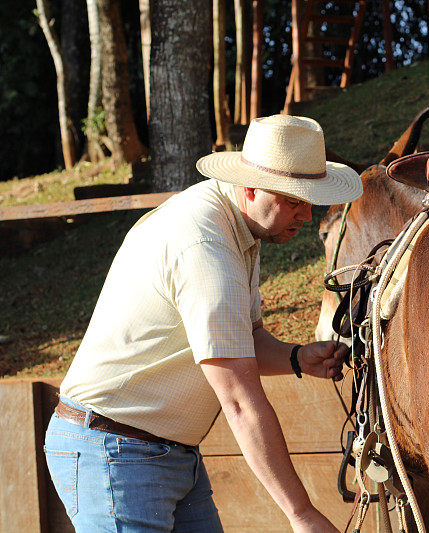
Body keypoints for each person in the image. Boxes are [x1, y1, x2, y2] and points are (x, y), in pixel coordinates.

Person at [44, 115, 363, 532]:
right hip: (114, 451)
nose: (306, 213)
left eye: (309, 199)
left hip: (166, 452)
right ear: (251, 187)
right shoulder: (206, 246)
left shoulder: (239, 224)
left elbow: (241, 338)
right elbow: (240, 402)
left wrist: (297, 358)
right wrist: (301, 514)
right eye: (293, 200)